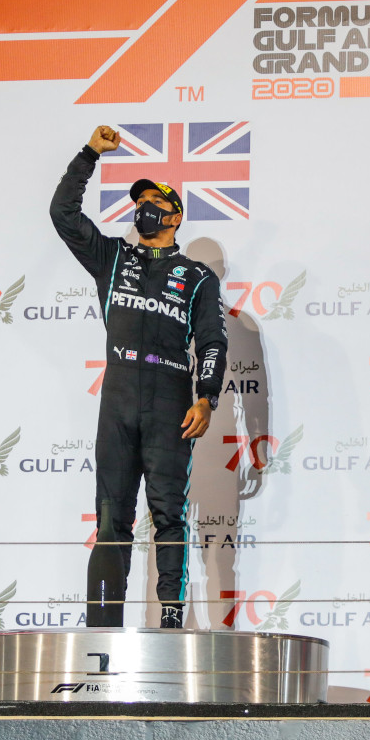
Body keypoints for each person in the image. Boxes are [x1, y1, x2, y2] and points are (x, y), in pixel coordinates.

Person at [50, 126, 228, 629]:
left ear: (173, 217)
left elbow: (212, 341)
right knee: (112, 519)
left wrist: (207, 397)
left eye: (153, 202)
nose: (143, 208)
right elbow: (62, 214)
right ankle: (101, 629)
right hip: (119, 398)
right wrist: (89, 155)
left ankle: (171, 622)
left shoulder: (197, 276)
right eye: (139, 202)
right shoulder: (113, 259)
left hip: (172, 400)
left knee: (169, 516)